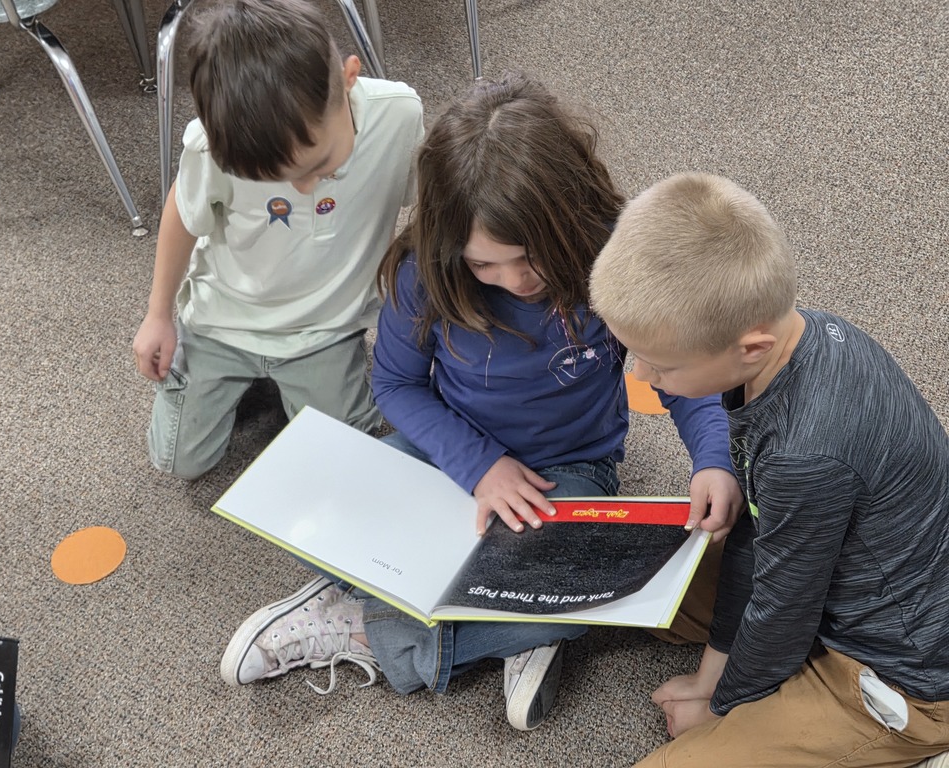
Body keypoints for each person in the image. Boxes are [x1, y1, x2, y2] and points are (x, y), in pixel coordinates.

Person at [219, 74, 743, 731]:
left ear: (570, 215)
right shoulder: (425, 272)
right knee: (320, 516)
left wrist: (714, 459)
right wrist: (479, 465)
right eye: (484, 265)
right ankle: (503, 625)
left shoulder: (620, 252)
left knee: (593, 601)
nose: (515, 280)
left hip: (570, 470)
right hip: (446, 452)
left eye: (530, 258)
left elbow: (683, 371)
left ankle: (366, 627)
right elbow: (397, 386)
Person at [588, 172, 949, 767]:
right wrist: (711, 672)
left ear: (749, 347)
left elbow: (783, 610)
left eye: (661, 366)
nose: (642, 379)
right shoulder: (797, 341)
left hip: (904, 672)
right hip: (819, 575)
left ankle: (911, 744)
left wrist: (720, 707)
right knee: (617, 576)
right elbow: (757, 536)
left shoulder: (806, 455)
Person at [131, 0, 423, 479]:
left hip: (325, 328)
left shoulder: (400, 115)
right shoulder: (213, 145)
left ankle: (293, 379)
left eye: (318, 165)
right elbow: (183, 212)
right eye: (279, 178)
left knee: (344, 457)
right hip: (223, 322)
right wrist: (157, 314)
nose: (303, 189)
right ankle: (226, 372)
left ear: (350, 77)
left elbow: (432, 207)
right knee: (178, 462)